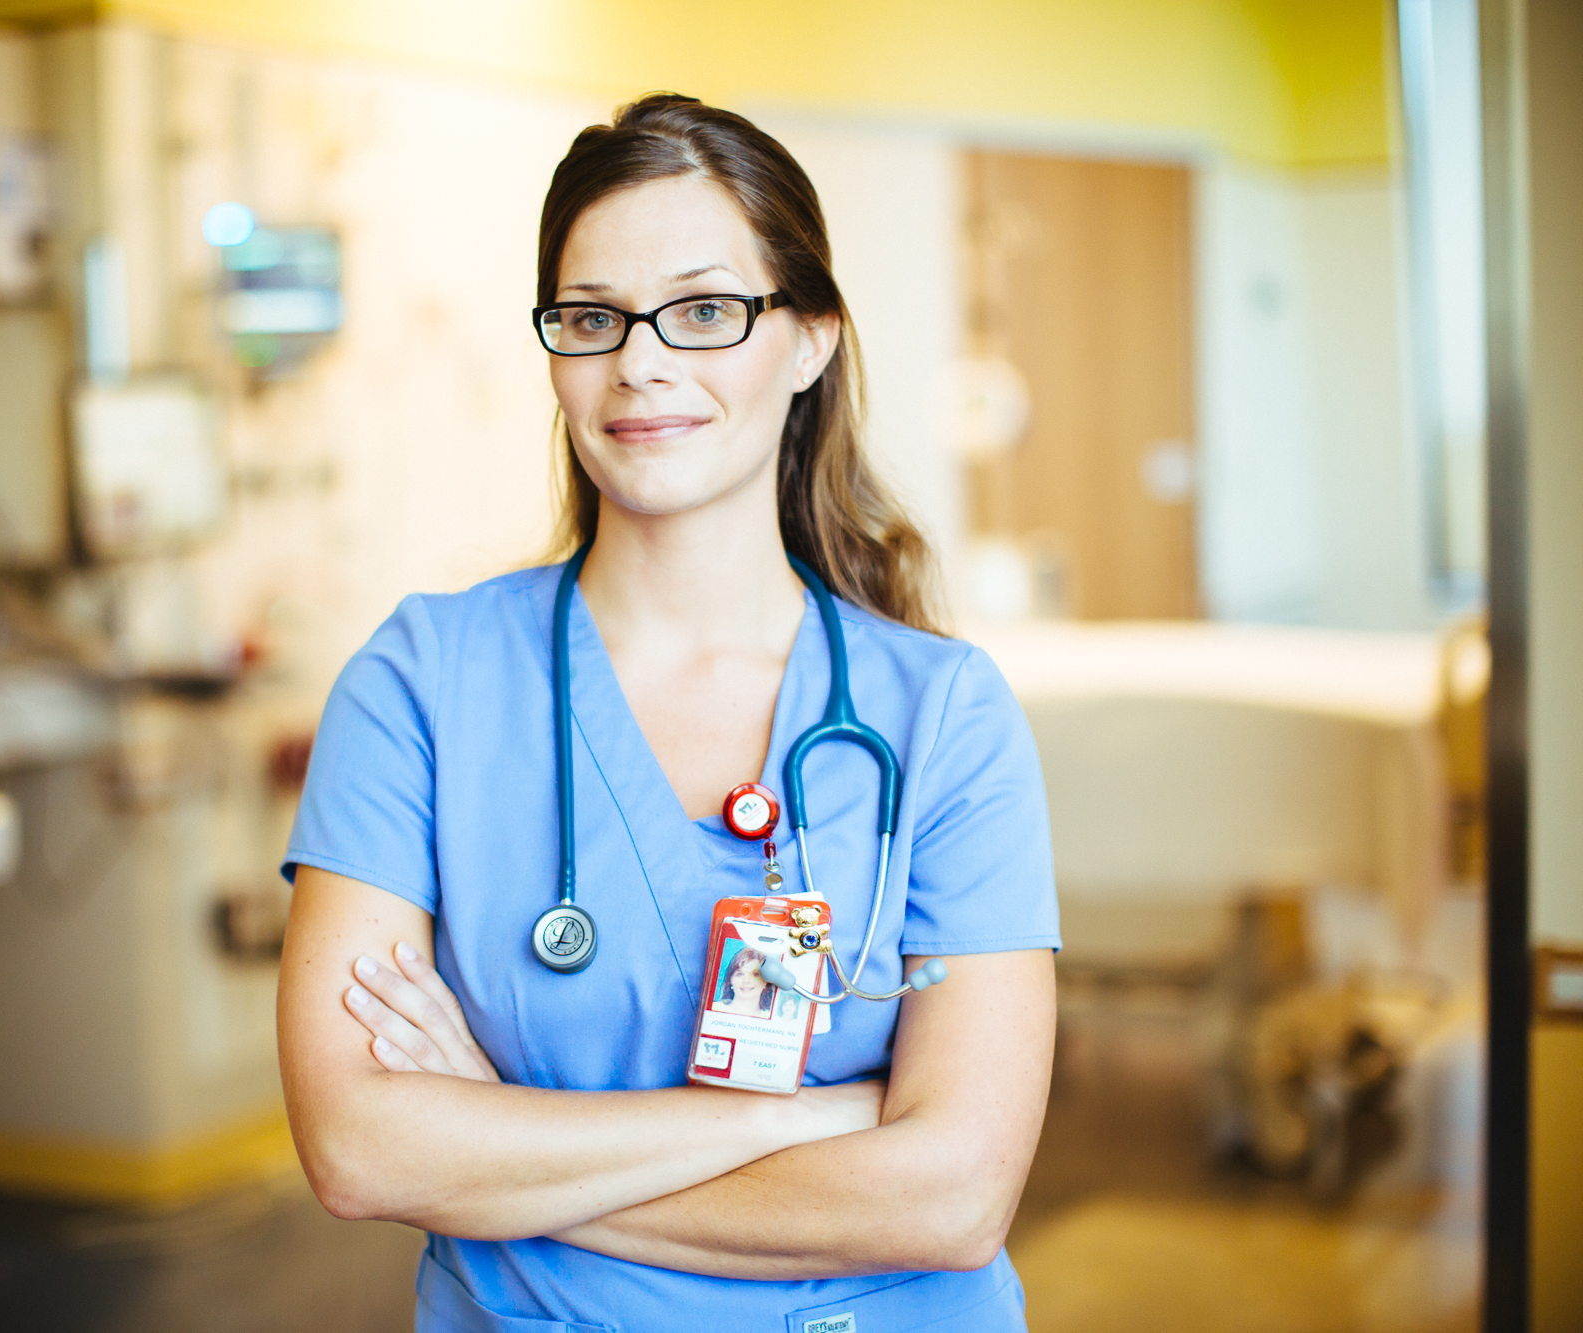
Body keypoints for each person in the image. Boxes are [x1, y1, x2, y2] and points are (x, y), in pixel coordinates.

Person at [278, 94, 1060, 1331]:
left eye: (704, 311)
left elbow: (952, 1195)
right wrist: (803, 1117)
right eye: (591, 318)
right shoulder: (423, 683)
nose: (639, 363)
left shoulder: (942, 718)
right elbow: (360, 1148)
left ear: (808, 340)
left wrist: (494, 1152)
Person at [714, 945, 776, 1017]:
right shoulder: (715, 1009)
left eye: (755, 974)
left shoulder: (773, 1019)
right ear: (730, 980)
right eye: (740, 974)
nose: (746, 981)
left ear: (766, 982)